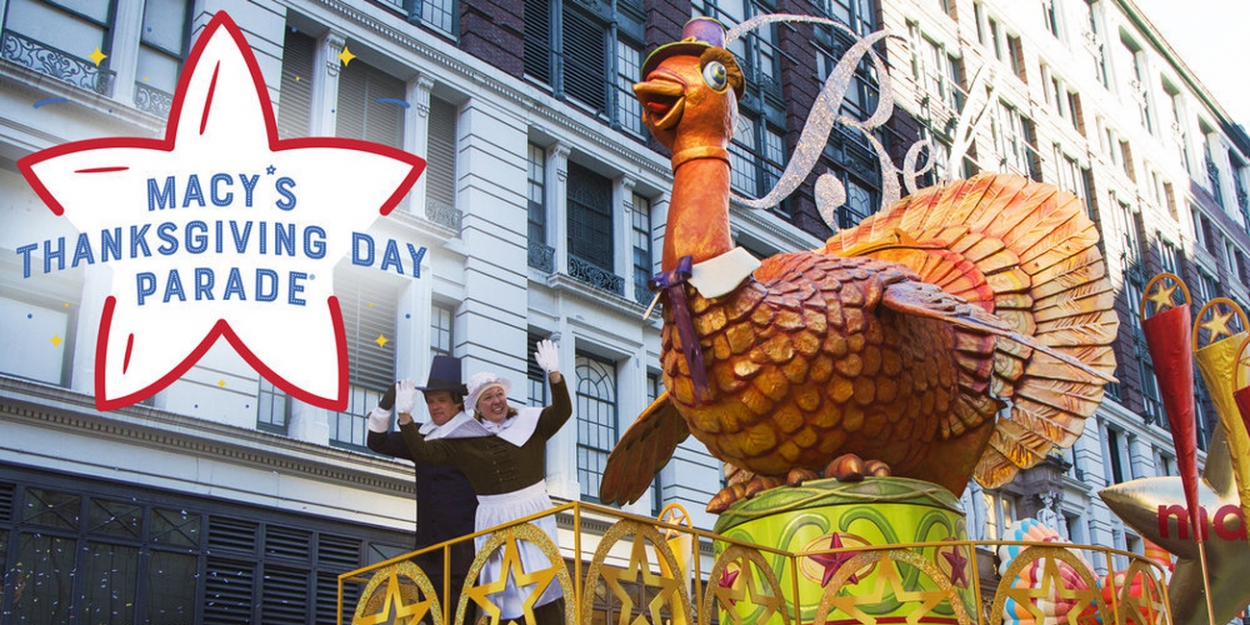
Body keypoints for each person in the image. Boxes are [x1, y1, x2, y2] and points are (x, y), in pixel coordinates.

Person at [395, 339, 571, 625]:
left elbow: (562, 412)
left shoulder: (530, 422)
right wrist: (405, 417)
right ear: (478, 407)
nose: (497, 401)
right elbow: (424, 452)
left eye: (499, 394)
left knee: (543, 588)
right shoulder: (465, 439)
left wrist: (555, 376)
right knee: (502, 594)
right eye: (488, 398)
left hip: (533, 514)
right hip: (493, 518)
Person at [367, 355, 479, 623]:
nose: (434, 407)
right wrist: (387, 402)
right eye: (430, 401)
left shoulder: (474, 436)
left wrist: (406, 422)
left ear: (457, 402)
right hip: (428, 549)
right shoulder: (424, 434)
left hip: (464, 550)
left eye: (441, 400)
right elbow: (376, 442)